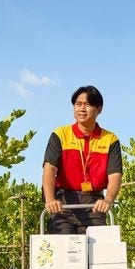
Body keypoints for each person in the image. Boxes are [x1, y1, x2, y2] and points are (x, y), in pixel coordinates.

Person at [42, 85, 122, 234]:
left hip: (94, 203)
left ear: (99, 109)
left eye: (88, 104)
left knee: (99, 250)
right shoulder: (60, 134)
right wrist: (50, 199)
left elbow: (115, 175)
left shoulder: (110, 139)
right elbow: (49, 169)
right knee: (63, 250)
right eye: (78, 104)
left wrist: (108, 200)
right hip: (63, 203)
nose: (82, 109)